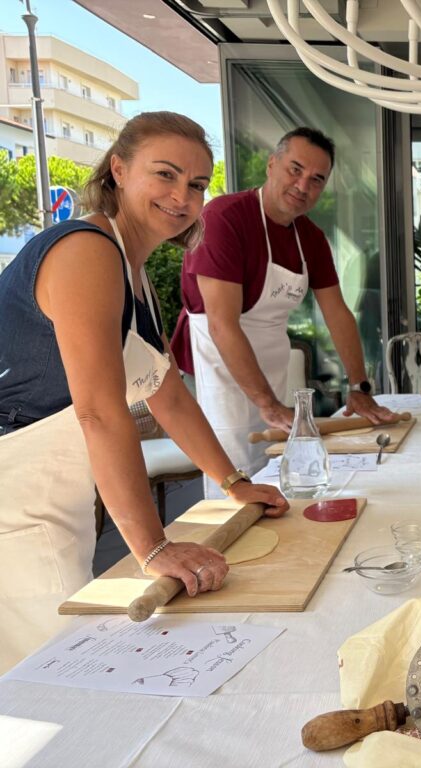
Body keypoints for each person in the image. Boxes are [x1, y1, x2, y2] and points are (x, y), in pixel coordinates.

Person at [0, 112, 288, 673]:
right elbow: (100, 414)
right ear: (119, 170)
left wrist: (234, 484)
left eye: (198, 183)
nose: (183, 195)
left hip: (58, 492)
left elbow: (167, 395)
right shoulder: (85, 251)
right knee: (53, 669)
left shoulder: (131, 268)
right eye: (166, 174)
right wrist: (154, 548)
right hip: (14, 496)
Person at [170, 127, 393, 498]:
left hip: (270, 364)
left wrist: (359, 387)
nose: (303, 185)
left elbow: (338, 313)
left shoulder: (311, 238)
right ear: (272, 164)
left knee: (274, 468)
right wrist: (265, 403)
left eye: (316, 179)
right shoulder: (224, 218)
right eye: (295, 169)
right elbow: (223, 326)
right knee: (233, 477)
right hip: (220, 367)